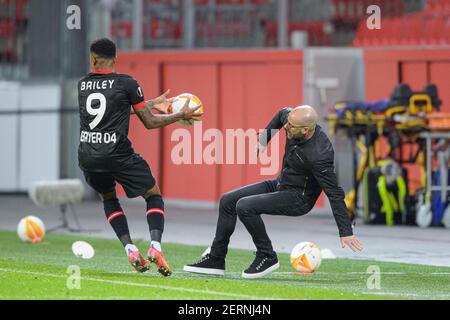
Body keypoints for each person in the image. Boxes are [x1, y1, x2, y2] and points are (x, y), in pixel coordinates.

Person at [184, 105, 363, 279]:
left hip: (298, 198)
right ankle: (216, 259)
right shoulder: (292, 120)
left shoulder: (320, 154)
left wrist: (345, 230)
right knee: (227, 200)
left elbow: (334, 193)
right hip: (281, 183)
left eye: (291, 126)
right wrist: (263, 141)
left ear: (307, 130)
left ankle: (267, 255)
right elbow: (280, 115)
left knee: (245, 206)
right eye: (288, 122)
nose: (287, 127)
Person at [78, 38, 201, 276]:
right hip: (118, 154)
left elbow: (111, 114)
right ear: (116, 59)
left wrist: (153, 102)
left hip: (89, 156)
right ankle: (155, 247)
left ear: (93, 59)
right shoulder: (127, 83)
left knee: (109, 198)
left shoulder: (82, 85)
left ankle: (130, 249)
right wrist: (180, 115)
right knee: (153, 194)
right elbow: (150, 122)